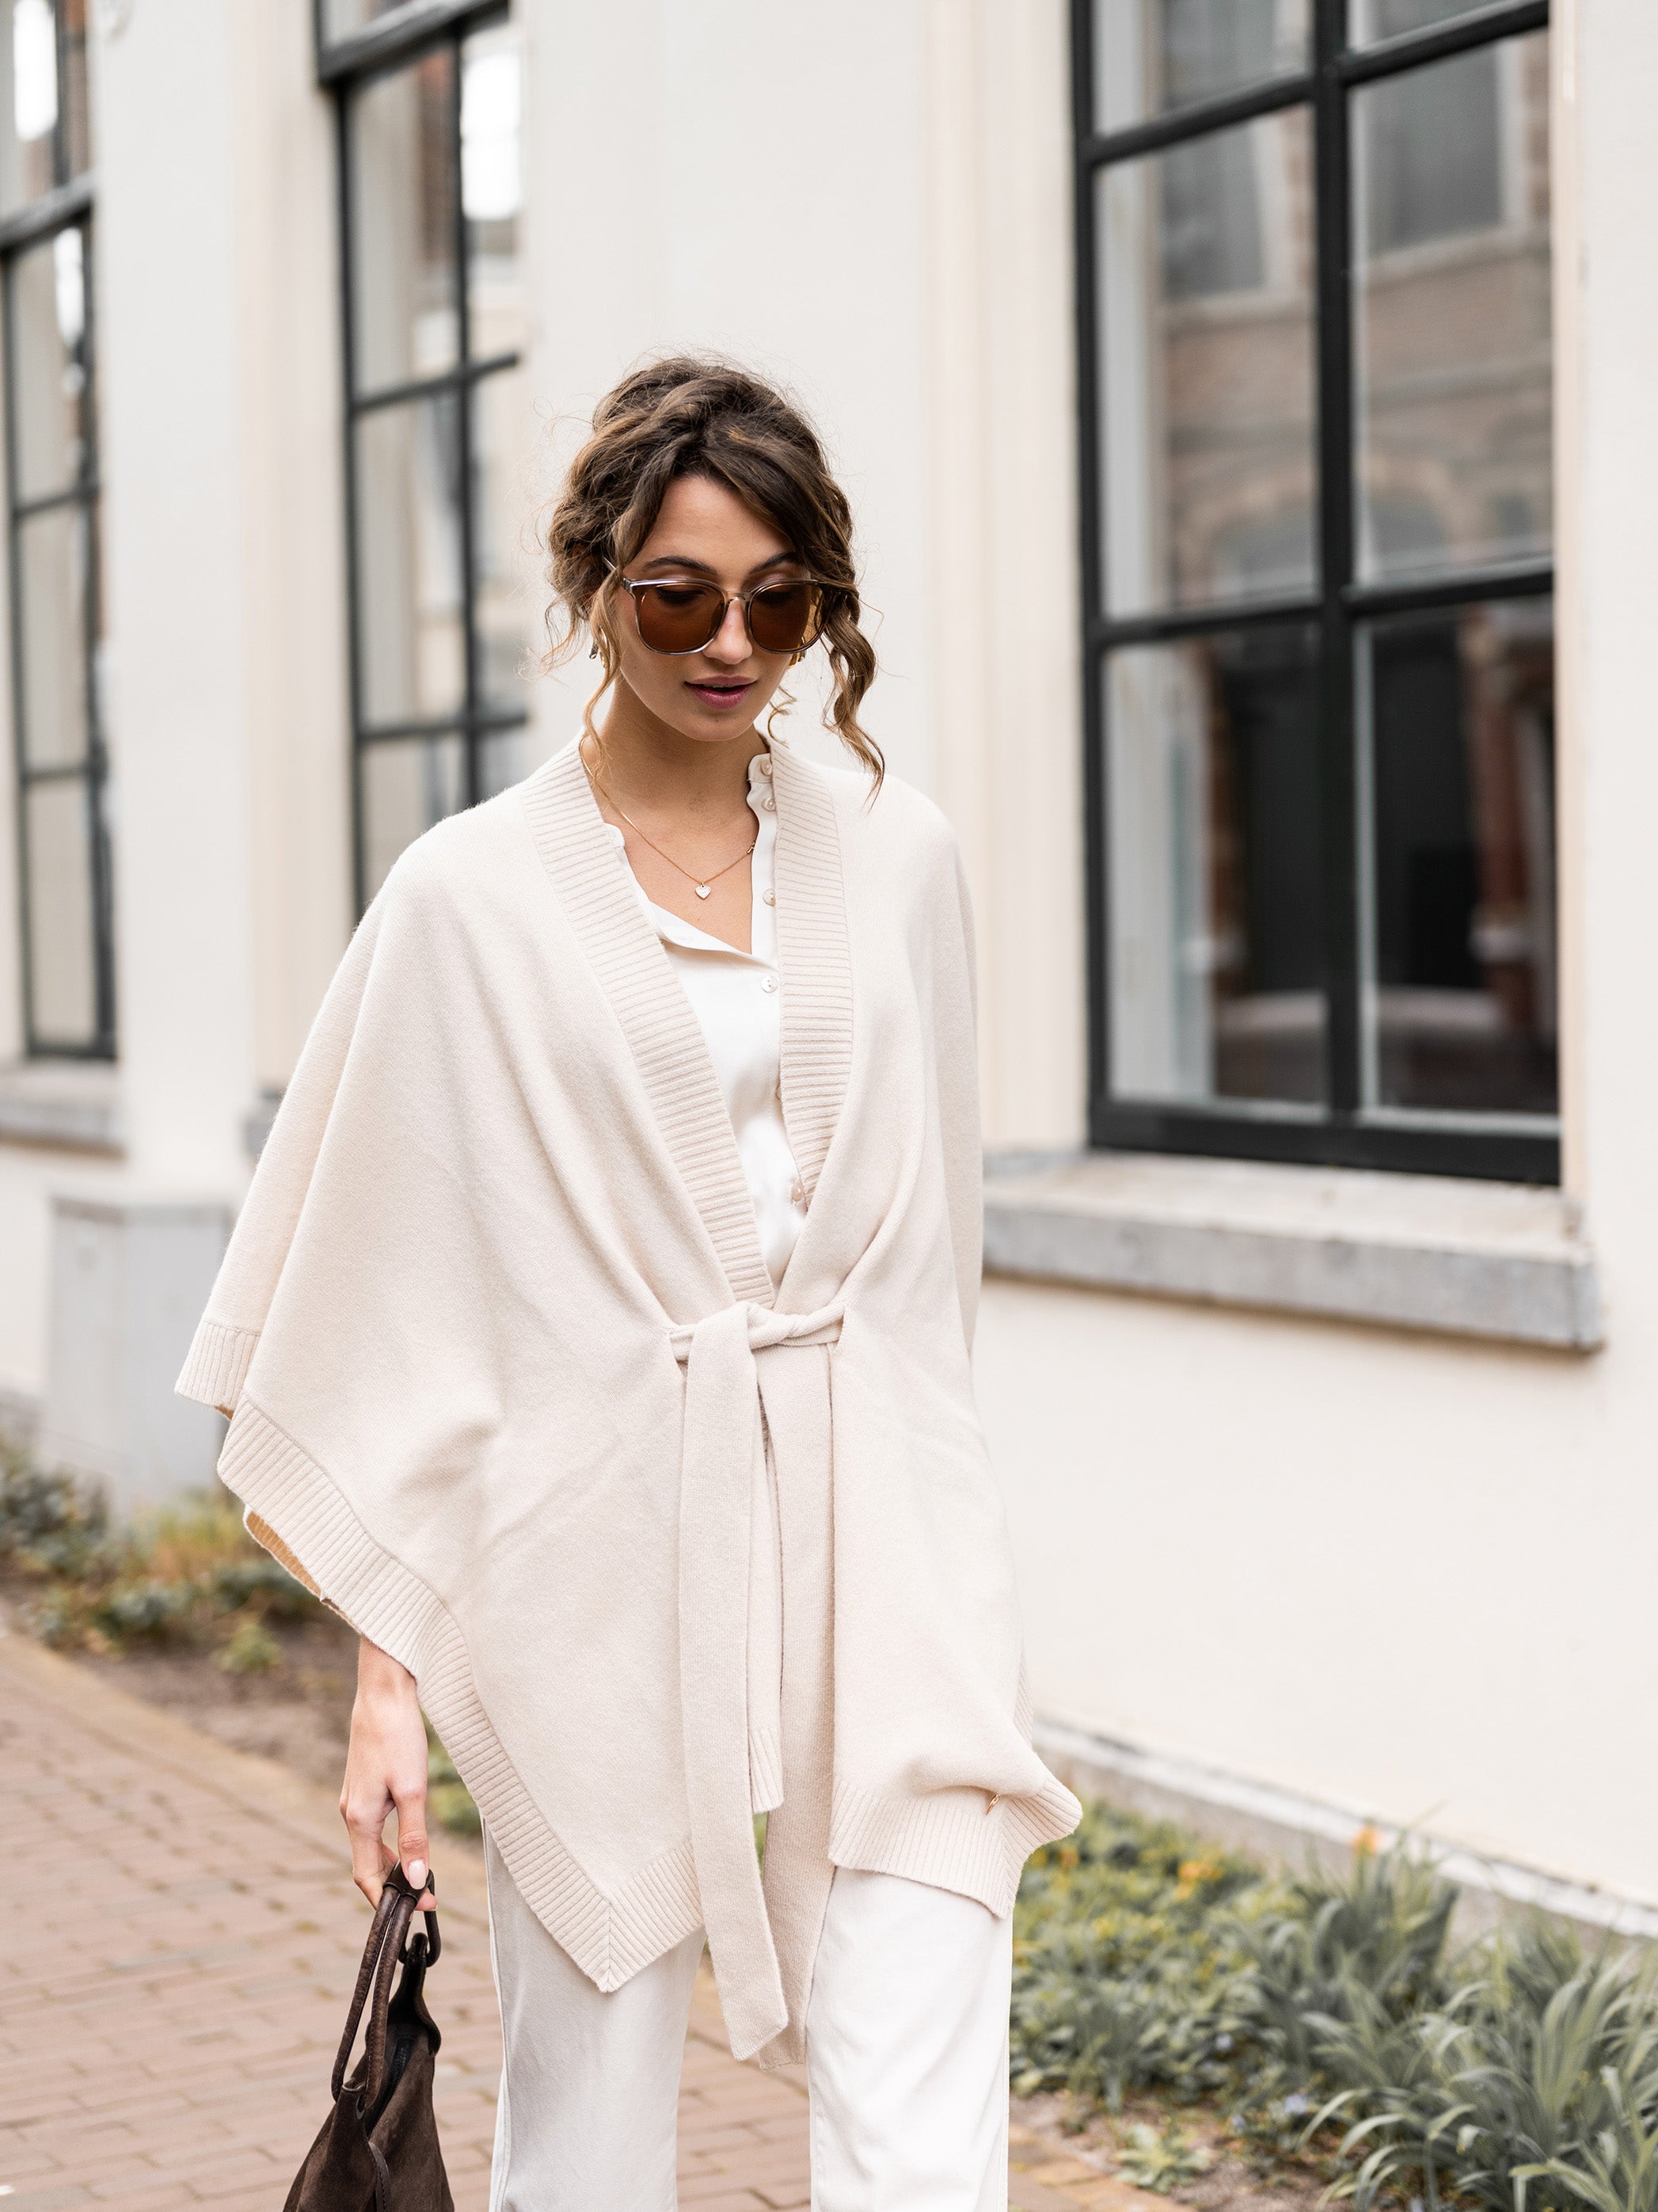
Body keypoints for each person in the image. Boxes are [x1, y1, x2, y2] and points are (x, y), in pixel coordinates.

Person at [176, 356, 1080, 2210]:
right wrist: (387, 1682)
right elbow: (402, 1303)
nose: (731, 644)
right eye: (678, 597)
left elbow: (934, 1254)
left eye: (780, 600)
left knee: (925, 2097)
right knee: (586, 2132)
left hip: (884, 1544)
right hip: (593, 1544)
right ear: (595, 585)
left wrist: (946, 1506)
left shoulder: (901, 859)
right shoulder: (470, 898)